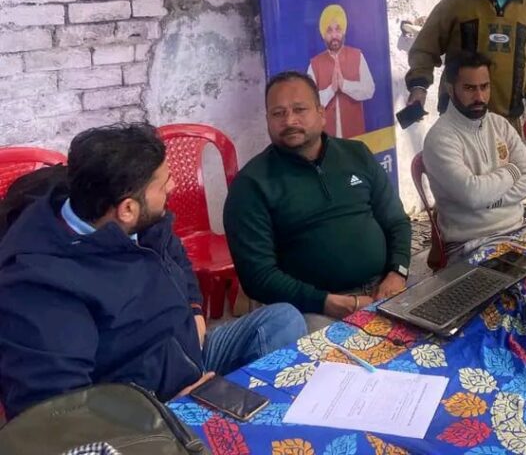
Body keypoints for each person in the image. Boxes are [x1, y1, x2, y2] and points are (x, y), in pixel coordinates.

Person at [0, 124, 307, 420]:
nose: (173, 187)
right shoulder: (41, 286)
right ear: (127, 209)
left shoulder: (135, 219)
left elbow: (176, 255)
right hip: (142, 408)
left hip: (186, 354)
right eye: (164, 184)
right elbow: (58, 415)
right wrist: (160, 414)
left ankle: (255, 420)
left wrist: (194, 308)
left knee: (283, 319)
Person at [224, 72, 411, 329]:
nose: (289, 120)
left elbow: (396, 221)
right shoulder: (251, 185)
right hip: (311, 309)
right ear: (267, 120)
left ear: (321, 113)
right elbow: (258, 276)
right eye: (278, 113)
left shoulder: (357, 155)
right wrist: (327, 302)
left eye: (299, 109)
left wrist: (397, 272)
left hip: (385, 287)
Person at [422, 52, 526, 258]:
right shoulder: (440, 138)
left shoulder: (499, 124)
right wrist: (512, 171)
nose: (479, 97)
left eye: (484, 87)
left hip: (520, 230)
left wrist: (489, 201)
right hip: (470, 244)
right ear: (450, 88)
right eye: (469, 88)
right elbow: (473, 195)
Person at [307, 3, 375, 138]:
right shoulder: (315, 64)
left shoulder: (357, 56)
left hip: (355, 136)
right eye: (329, 31)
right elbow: (309, 103)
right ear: (323, 35)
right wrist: (331, 90)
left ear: (343, 31)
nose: (334, 35)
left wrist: (345, 86)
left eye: (338, 29)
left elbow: (369, 90)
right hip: (325, 139)